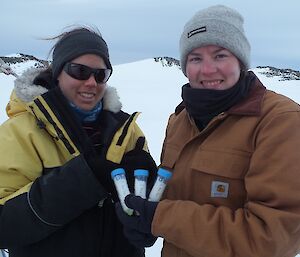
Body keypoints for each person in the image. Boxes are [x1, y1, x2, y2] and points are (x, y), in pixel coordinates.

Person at [116, 5, 300, 257]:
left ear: (240, 60)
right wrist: (144, 212)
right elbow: (174, 195)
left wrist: (161, 218)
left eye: (220, 55)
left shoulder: (278, 121)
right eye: (195, 58)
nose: (207, 69)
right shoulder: (180, 120)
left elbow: (274, 237)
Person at [0, 26, 157, 257]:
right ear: (58, 73)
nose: (91, 82)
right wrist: (86, 178)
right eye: (79, 71)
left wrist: (148, 217)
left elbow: (141, 211)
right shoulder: (21, 133)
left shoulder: (127, 131)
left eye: (100, 74)